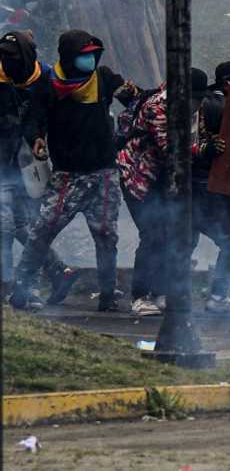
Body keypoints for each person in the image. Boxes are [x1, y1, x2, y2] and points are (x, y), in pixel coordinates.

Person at [10, 30, 137, 311]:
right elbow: (33, 121)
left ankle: (107, 294)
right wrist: (37, 140)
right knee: (41, 232)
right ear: (68, 57)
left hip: (104, 174)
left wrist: (132, 94)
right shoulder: (48, 84)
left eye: (93, 55)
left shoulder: (103, 78)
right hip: (67, 177)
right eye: (83, 56)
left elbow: (132, 99)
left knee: (106, 236)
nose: (89, 60)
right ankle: (21, 288)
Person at [0, 30, 77, 306]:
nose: (6, 63)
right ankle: (15, 287)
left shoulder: (44, 78)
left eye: (11, 57)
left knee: (28, 226)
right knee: (6, 226)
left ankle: (37, 283)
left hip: (30, 164)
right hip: (2, 163)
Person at [192, 61, 230, 315]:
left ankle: (167, 294)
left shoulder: (206, 101)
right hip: (206, 185)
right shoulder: (219, 105)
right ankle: (218, 295)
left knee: (183, 241)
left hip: (198, 185)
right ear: (229, 82)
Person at [116, 82, 168, 317]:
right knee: (152, 234)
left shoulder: (174, 104)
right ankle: (139, 296)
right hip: (137, 177)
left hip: (155, 178)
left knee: (164, 234)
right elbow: (169, 147)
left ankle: (159, 292)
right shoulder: (157, 106)